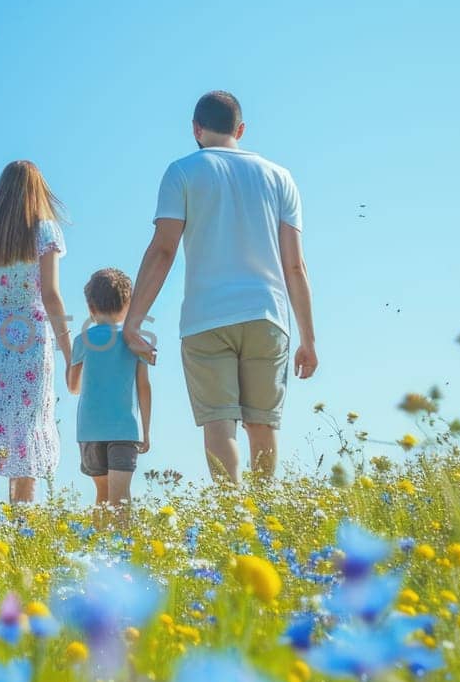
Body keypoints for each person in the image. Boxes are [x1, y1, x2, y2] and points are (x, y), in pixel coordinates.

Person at [123, 91, 317, 482]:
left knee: (219, 424)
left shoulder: (182, 172)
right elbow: (294, 265)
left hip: (205, 317)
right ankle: (264, 522)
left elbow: (163, 251)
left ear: (196, 129)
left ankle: (232, 518)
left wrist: (134, 320)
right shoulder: (280, 177)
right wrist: (308, 339)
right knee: (262, 425)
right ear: (241, 130)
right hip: (267, 315)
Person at [0, 160, 74, 503]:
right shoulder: (45, 232)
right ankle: (23, 519)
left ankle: (16, 517)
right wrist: (70, 355)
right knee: (29, 425)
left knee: (8, 428)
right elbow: (51, 296)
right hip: (32, 338)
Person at [66, 268, 151, 523]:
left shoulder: (82, 340)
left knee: (102, 495)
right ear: (128, 305)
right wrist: (146, 431)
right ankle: (123, 552)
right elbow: (144, 387)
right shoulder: (135, 341)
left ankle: (100, 553)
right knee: (121, 497)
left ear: (91, 306)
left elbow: (73, 387)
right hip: (125, 429)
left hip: (90, 431)